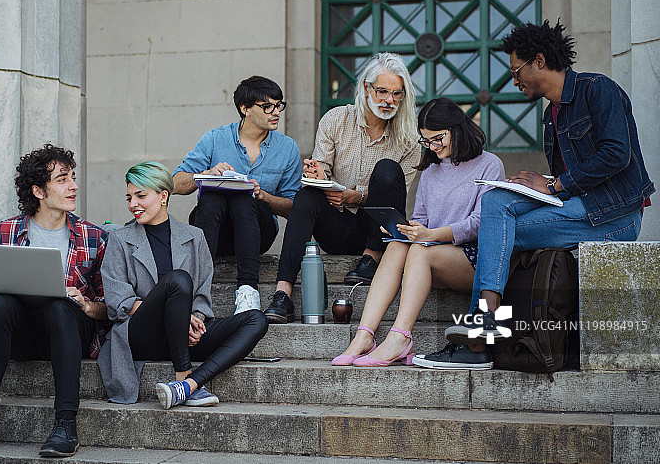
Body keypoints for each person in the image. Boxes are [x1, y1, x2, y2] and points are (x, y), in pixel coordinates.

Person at [416, 20, 655, 370]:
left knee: (497, 232)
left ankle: (480, 335)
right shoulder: (550, 116)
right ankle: (486, 326)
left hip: (614, 217)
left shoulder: (597, 89)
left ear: (539, 61)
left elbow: (616, 154)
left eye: (517, 71)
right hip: (578, 208)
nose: (514, 81)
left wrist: (555, 185)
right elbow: (568, 177)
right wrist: (539, 183)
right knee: (496, 202)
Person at [0, 144, 108, 458]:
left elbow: (109, 306)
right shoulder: (7, 231)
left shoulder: (94, 236)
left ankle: (66, 424)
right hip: (22, 336)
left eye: (73, 177)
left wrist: (84, 302)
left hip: (68, 331)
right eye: (63, 179)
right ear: (39, 190)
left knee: (61, 306)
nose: (74, 186)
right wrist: (14, 288)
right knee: (2, 304)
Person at [331, 98, 504, 367]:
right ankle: (364, 335)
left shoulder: (490, 164)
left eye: (438, 139)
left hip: (473, 260)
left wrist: (430, 235)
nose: (434, 147)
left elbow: (482, 224)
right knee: (398, 245)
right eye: (427, 142)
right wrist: (406, 230)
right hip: (429, 255)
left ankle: (401, 337)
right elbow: (421, 219)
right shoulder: (431, 170)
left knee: (420, 252)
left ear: (457, 128)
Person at [265, 52, 421, 324]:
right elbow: (322, 168)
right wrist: (318, 174)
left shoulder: (410, 139)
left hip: (377, 232)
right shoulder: (336, 119)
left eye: (397, 94)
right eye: (383, 91)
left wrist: (356, 196)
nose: (389, 100)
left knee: (387, 169)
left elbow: (397, 192)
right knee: (306, 193)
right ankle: (283, 294)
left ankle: (370, 260)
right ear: (366, 87)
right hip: (335, 226)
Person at [98, 162, 269, 408]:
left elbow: (201, 295)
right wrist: (174, 317)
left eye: (141, 195)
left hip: (185, 338)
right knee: (178, 280)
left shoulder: (194, 237)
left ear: (163, 196)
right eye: (129, 197)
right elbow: (118, 302)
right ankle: (183, 373)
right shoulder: (120, 240)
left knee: (256, 320)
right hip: (142, 336)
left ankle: (188, 386)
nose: (133, 204)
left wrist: (193, 320)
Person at [173, 76, 301, 315]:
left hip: (258, 232)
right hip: (215, 232)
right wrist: (205, 175)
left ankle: (248, 290)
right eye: (267, 107)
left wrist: (262, 195)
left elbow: (294, 207)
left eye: (279, 105)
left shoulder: (288, 148)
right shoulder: (215, 138)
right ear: (245, 109)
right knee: (213, 195)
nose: (276, 113)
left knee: (245, 197)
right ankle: (198, 291)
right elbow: (174, 183)